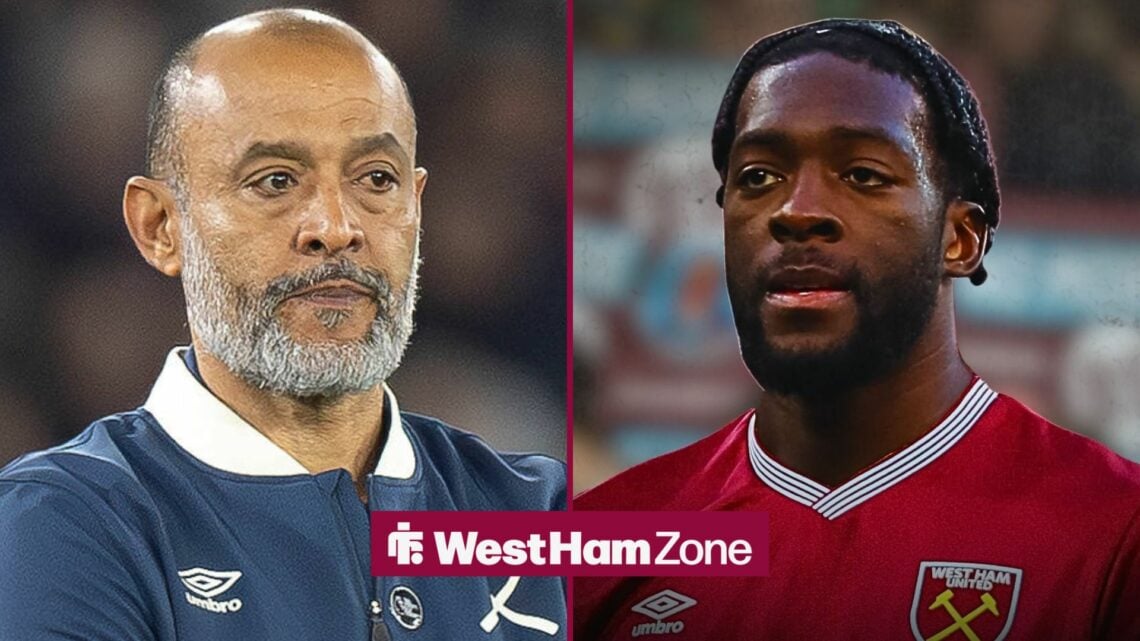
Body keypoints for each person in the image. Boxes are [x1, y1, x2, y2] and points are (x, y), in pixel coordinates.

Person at [0, 9, 565, 641]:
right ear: (160, 226)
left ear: (416, 206)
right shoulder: (65, 521)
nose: (335, 226)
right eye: (275, 181)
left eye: (377, 180)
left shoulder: (537, 513)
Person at [573, 18, 1140, 640]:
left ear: (960, 239)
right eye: (759, 177)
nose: (796, 212)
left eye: (863, 174)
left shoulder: (1113, 531)